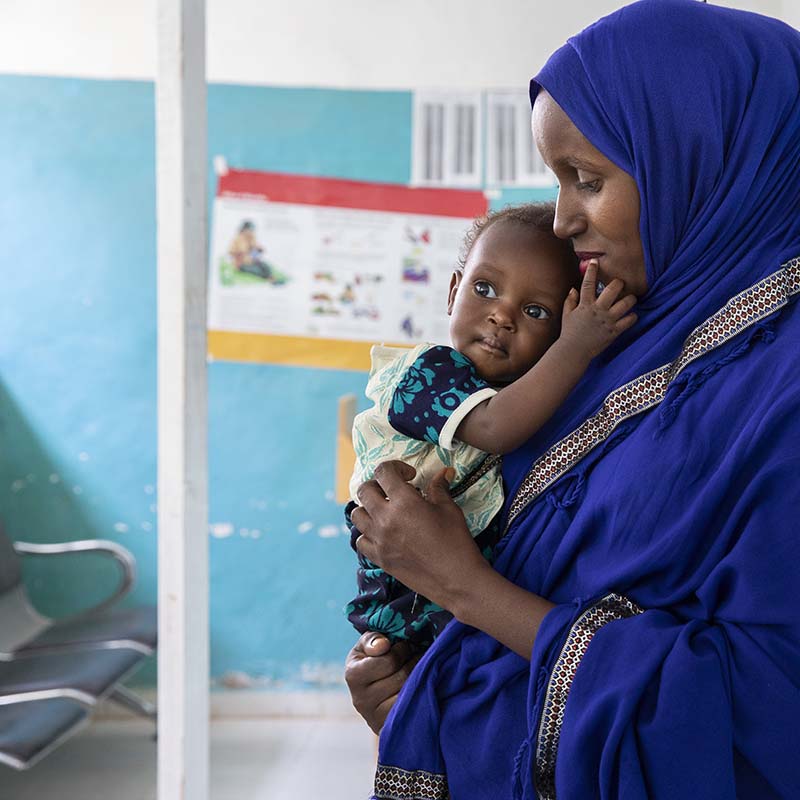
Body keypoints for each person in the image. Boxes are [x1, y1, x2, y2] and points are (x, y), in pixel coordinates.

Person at [344, 2, 800, 798]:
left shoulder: (778, 387)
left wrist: (464, 589)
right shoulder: (622, 335)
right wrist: (421, 678)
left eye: (587, 179)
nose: (562, 219)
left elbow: (759, 713)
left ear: (701, 160)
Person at [345, 203, 637, 645]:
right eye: (485, 288)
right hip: (398, 586)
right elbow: (493, 427)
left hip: (459, 583)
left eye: (535, 312)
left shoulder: (528, 397)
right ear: (451, 293)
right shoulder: (425, 372)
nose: (502, 316)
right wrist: (577, 347)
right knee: (401, 671)